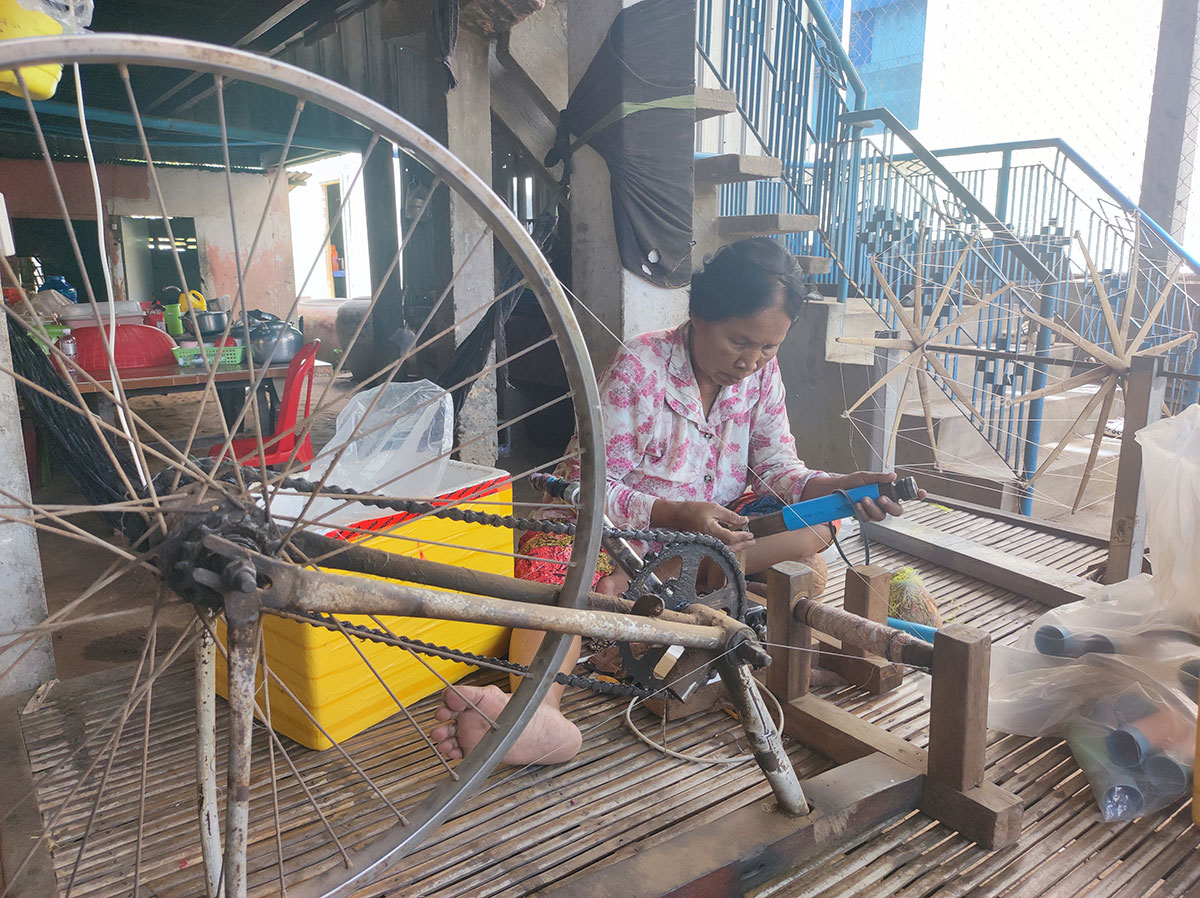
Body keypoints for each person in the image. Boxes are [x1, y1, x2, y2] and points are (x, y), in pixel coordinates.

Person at [431, 237, 923, 765]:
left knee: (816, 533)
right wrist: (673, 514)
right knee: (555, 576)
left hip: (709, 535)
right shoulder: (640, 367)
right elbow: (586, 487)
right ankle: (539, 714)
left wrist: (840, 488)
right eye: (739, 340)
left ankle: (655, 589)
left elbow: (781, 469)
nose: (750, 362)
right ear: (698, 315)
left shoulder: (760, 379)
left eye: (768, 348)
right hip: (613, 534)